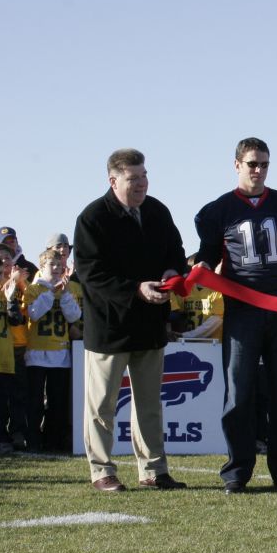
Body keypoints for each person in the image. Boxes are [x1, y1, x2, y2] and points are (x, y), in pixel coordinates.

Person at [194, 137, 277, 494]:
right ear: (237, 165)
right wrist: (193, 272)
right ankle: (236, 471)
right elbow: (207, 255)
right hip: (243, 310)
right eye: (251, 164)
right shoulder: (217, 211)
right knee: (238, 394)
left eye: (263, 164)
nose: (258, 170)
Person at [73, 147, 189, 492]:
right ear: (113, 181)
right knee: (102, 405)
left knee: (150, 403)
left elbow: (176, 251)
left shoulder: (157, 211)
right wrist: (135, 289)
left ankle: (153, 470)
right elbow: (90, 273)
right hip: (109, 326)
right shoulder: (92, 218)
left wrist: (172, 271)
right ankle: (101, 471)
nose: (141, 184)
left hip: (151, 324)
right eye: (133, 179)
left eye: (144, 176)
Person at [23, 248, 84, 453]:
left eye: (60, 265)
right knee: (35, 401)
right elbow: (34, 314)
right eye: (52, 265)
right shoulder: (33, 289)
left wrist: (64, 294)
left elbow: (74, 317)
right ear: (42, 267)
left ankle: (53, 440)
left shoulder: (69, 289)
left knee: (57, 402)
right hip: (37, 353)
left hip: (60, 353)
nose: (57, 268)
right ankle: (32, 440)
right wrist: (50, 292)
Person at [0, 252, 24, 454]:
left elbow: (16, 321)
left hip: (1, 357)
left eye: (1, 272)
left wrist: (11, 301)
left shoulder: (7, 292)